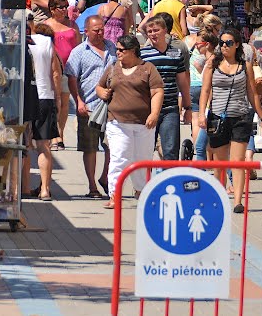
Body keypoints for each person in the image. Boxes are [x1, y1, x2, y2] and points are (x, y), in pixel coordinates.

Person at [198, 27, 262, 213]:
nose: (224, 46)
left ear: (237, 45)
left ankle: (237, 201)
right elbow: (205, 90)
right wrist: (202, 114)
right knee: (220, 163)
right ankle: (219, 196)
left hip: (241, 117)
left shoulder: (245, 66)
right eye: (222, 43)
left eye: (228, 43)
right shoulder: (213, 63)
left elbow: (251, 93)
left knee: (237, 161)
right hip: (217, 117)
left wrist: (261, 117)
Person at [96, 34, 164, 209]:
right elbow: (100, 86)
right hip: (117, 122)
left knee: (142, 158)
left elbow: (157, 91)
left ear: (133, 51)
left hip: (144, 123)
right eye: (117, 49)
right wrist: (101, 93)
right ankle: (114, 195)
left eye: (121, 50)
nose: (117, 53)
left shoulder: (148, 68)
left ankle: (141, 191)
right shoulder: (113, 68)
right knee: (120, 157)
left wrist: (154, 113)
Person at [65, 16, 116, 198]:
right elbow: (72, 78)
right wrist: (78, 101)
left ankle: (105, 178)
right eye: (96, 30)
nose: (100, 32)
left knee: (113, 146)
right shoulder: (79, 52)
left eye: (102, 29)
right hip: (90, 106)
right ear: (86, 31)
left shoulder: (112, 47)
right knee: (90, 147)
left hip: (112, 106)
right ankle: (92, 186)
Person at [140, 13, 190, 162]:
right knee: (145, 152)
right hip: (147, 109)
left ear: (165, 31)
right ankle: (146, 185)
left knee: (170, 152)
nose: (153, 34)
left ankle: (170, 182)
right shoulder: (143, 55)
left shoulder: (176, 53)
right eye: (149, 31)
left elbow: (182, 82)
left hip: (170, 108)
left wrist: (187, 106)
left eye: (156, 30)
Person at [26, 21, 62, 202]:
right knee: (43, 145)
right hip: (44, 96)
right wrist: (58, 98)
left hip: (23, 96)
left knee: (23, 146)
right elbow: (55, 73)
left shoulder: (23, 40)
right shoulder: (48, 42)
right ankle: (45, 190)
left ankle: (23, 188)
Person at [46, 0, 80, 152]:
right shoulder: (46, 25)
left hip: (69, 68)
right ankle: (53, 135)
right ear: (52, 9)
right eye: (62, 7)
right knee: (54, 103)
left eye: (66, 6)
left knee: (65, 103)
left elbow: (79, 46)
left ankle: (60, 134)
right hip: (51, 70)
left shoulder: (73, 25)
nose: (65, 10)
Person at [184, 30, 218, 161]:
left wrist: (207, 110)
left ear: (207, 44)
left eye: (199, 44)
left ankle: (202, 175)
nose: (196, 46)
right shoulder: (209, 60)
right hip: (210, 107)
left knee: (201, 146)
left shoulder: (212, 62)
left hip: (212, 108)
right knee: (203, 146)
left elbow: (210, 88)